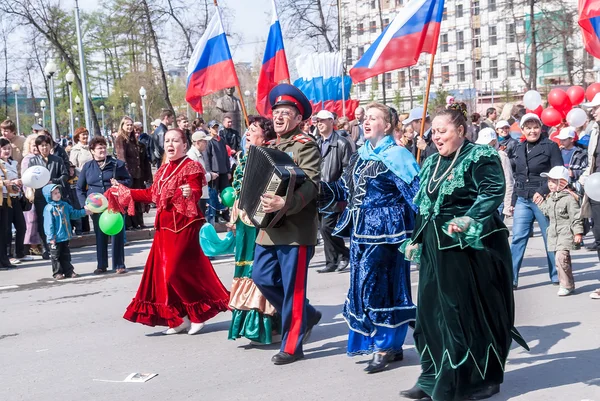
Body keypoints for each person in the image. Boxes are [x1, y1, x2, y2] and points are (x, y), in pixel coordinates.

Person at [399, 104, 528, 401]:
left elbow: (492, 190)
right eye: (434, 133)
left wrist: (470, 217)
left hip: (469, 247)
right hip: (435, 248)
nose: (436, 138)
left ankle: (473, 378)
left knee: (464, 315)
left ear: (460, 130)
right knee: (430, 314)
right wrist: (416, 239)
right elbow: (425, 206)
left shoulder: (479, 156)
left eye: (442, 132)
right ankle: (431, 376)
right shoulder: (431, 162)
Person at [111, 128, 229, 334]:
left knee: (175, 271)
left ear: (185, 145)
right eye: (167, 141)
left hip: (184, 225)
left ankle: (197, 314)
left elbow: (195, 189)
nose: (171, 145)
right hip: (164, 227)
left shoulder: (191, 166)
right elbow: (151, 194)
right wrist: (125, 191)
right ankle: (181, 318)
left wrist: (188, 192)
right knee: (163, 276)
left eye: (175, 141)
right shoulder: (164, 169)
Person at [334, 103, 419, 373]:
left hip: (387, 235)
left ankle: (384, 346)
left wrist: (420, 233)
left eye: (374, 118)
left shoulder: (398, 156)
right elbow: (348, 190)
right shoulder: (361, 155)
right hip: (360, 234)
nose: (366, 122)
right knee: (362, 289)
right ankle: (391, 346)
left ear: (388, 125)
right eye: (365, 118)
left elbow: (416, 196)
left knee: (378, 289)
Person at [251, 84, 322, 365]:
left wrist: (286, 204)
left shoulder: (305, 145)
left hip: (295, 229)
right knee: (262, 277)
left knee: (293, 288)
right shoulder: (268, 147)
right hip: (268, 229)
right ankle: (305, 314)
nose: (279, 117)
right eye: (276, 112)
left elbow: (313, 184)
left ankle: (293, 345)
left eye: (286, 113)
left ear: (298, 119)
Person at [227, 115, 280, 344]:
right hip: (243, 220)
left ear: (265, 135)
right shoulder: (242, 159)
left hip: (261, 222)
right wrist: (233, 214)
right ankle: (246, 323)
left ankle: (267, 325)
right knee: (243, 269)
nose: (247, 134)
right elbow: (237, 191)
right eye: (247, 130)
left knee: (259, 270)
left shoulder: (271, 155)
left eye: (253, 129)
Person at [510, 113, 563, 289]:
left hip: (543, 198)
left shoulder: (550, 146)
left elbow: (558, 174)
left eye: (535, 127)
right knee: (518, 237)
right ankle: (511, 278)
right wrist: (512, 200)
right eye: (528, 127)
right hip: (523, 199)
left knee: (550, 237)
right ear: (523, 129)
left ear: (541, 128)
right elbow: (517, 175)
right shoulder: (519, 147)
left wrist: (543, 190)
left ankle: (556, 275)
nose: (532, 131)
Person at [77, 136, 131, 274]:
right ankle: (102, 265)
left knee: (117, 234)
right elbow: (79, 188)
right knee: (100, 235)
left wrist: (119, 183)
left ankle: (119, 264)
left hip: (114, 204)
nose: (102, 150)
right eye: (99, 148)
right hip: (96, 207)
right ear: (92, 151)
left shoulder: (116, 164)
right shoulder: (88, 167)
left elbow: (128, 180)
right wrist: (85, 205)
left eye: (103, 147)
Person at [313, 110, 352, 273]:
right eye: (317, 121)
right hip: (319, 191)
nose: (319, 124)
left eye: (322, 120)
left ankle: (344, 254)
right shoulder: (316, 142)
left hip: (334, 192)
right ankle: (331, 261)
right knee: (323, 227)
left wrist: (340, 187)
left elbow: (347, 168)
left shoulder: (341, 143)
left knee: (327, 227)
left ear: (331, 121)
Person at [538, 166, 584, 297]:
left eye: (553, 181)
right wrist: (540, 204)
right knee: (562, 261)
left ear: (562, 182)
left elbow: (576, 216)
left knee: (560, 258)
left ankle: (565, 285)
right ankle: (569, 284)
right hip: (554, 233)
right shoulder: (551, 197)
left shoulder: (569, 198)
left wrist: (578, 233)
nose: (550, 185)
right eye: (549, 181)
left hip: (566, 233)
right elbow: (547, 211)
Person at [28, 135, 68, 260]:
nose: (44, 147)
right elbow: (30, 177)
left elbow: (65, 175)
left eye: (46, 145)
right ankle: (46, 247)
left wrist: (53, 181)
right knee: (43, 221)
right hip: (40, 196)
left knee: (57, 220)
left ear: (50, 146)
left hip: (55, 196)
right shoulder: (33, 161)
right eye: (41, 145)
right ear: (38, 147)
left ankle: (58, 246)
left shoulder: (57, 160)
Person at [42, 184, 91, 280]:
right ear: (49, 196)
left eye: (58, 192)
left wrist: (84, 212)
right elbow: (49, 224)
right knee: (56, 256)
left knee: (66, 255)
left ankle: (68, 271)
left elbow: (73, 213)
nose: (58, 195)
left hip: (64, 236)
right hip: (55, 238)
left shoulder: (65, 205)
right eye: (55, 193)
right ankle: (57, 272)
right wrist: (51, 237)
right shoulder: (49, 208)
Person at [580, 93, 600, 299]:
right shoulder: (594, 131)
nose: (592, 111)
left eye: (596, 107)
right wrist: (583, 178)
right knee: (599, 237)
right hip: (596, 191)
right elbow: (591, 161)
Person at [475, 128, 514, 219]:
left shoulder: (501, 156)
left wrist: (507, 205)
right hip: (480, 201)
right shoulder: (478, 157)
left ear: (493, 142)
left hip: (498, 201)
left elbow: (508, 180)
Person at [114, 116, 145, 230]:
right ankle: (128, 223)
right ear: (122, 126)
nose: (129, 127)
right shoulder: (120, 139)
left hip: (137, 173)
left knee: (137, 197)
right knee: (128, 199)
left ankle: (138, 222)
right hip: (127, 174)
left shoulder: (133, 139)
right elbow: (121, 158)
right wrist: (126, 174)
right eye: (127, 124)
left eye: (131, 124)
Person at [203, 120, 231, 223]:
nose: (215, 129)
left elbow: (226, 157)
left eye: (216, 127)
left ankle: (225, 214)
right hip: (214, 173)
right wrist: (209, 172)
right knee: (213, 195)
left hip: (223, 171)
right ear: (209, 129)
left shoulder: (221, 140)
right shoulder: (208, 141)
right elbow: (207, 158)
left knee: (226, 194)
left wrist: (228, 171)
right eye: (213, 127)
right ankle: (213, 215)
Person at [187, 130, 218, 219]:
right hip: (197, 196)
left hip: (201, 194)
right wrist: (211, 176)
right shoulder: (192, 156)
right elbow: (198, 178)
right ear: (197, 142)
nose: (206, 143)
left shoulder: (197, 155)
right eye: (204, 141)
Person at [21, 134, 43, 256]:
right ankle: (31, 245)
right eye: (33, 145)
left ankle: (38, 243)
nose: (35, 147)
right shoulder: (27, 159)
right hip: (31, 192)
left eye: (37, 145)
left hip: (41, 190)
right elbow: (25, 176)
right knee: (31, 220)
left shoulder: (41, 157)